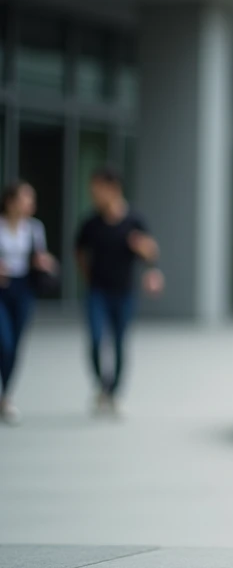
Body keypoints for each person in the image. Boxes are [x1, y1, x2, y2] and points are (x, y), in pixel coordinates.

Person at [74, 167, 164, 416]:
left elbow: (151, 252)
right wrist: (88, 276)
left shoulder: (134, 220)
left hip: (124, 293)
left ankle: (114, 393)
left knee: (119, 343)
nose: (94, 195)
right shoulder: (90, 222)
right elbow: (79, 252)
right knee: (94, 339)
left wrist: (145, 256)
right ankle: (102, 386)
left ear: (113, 189)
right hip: (97, 292)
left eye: (97, 190)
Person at [0, 181, 58, 425]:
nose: (30, 204)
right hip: (2, 289)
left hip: (23, 288)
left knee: (15, 345)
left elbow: (40, 256)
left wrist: (44, 263)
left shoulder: (34, 228)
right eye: (26, 198)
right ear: (11, 201)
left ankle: (6, 396)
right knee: (4, 340)